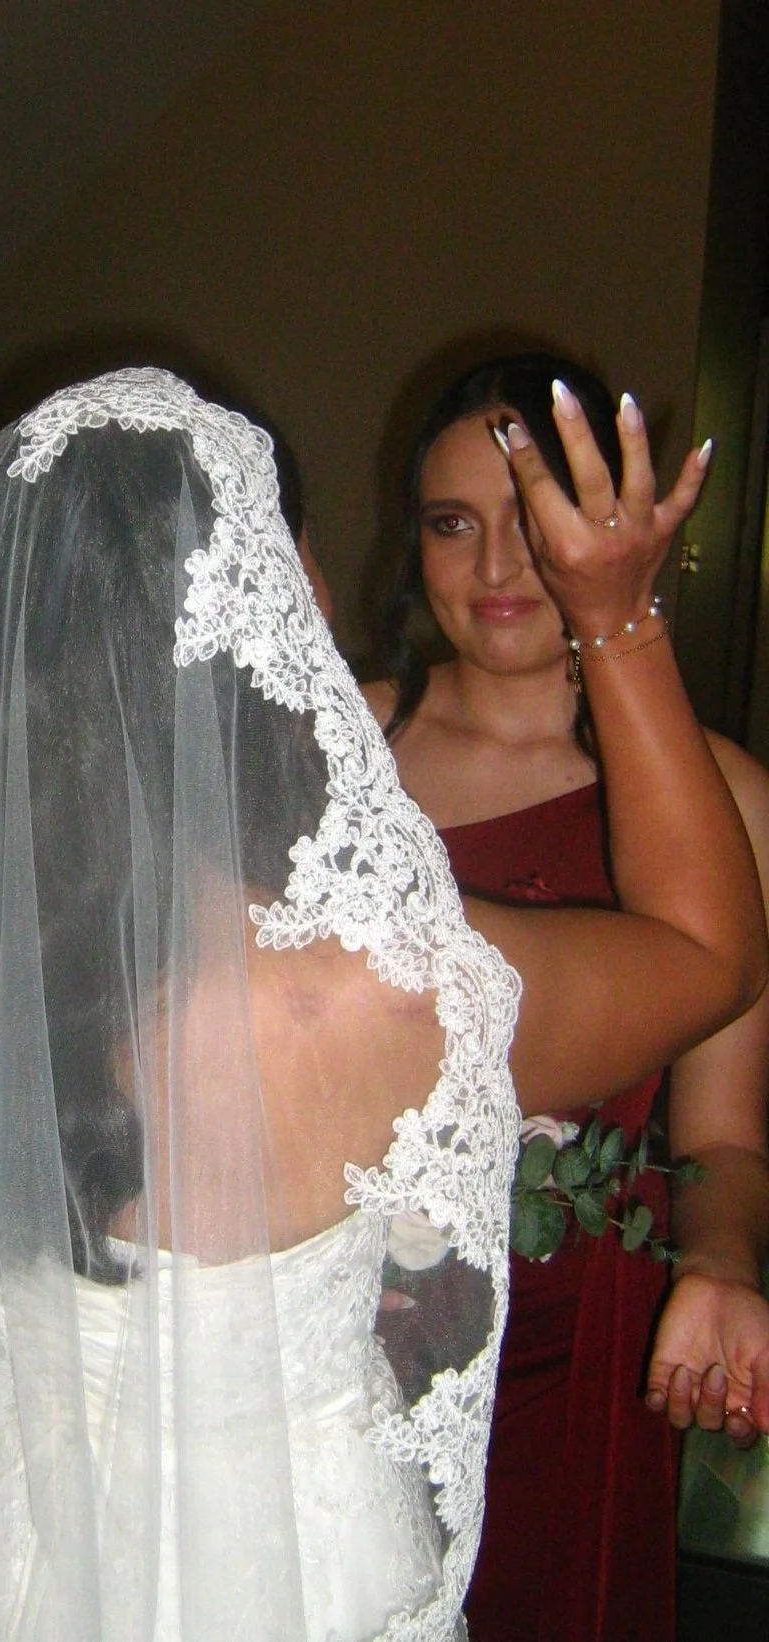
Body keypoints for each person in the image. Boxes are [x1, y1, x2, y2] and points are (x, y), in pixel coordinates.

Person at [0, 367, 763, 1642]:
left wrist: (64, 1303)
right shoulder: (356, 985)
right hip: (274, 1571)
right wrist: (621, 620)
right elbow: (708, 954)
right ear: (266, 596)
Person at [365, 352, 769, 1642]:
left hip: (569, 1350)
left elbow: (719, 1140)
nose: (494, 572)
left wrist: (713, 1259)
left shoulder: (726, 803)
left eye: (533, 527)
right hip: (326, 1332)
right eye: (451, 524)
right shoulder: (328, 747)